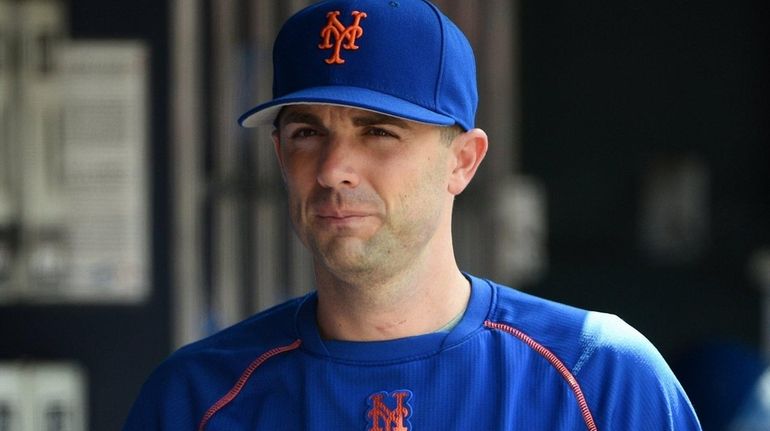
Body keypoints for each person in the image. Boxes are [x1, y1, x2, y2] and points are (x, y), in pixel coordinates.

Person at [124, 0, 702, 429]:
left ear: (464, 161)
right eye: (306, 132)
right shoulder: (195, 399)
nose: (332, 169)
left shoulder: (598, 376)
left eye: (378, 132)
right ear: (279, 154)